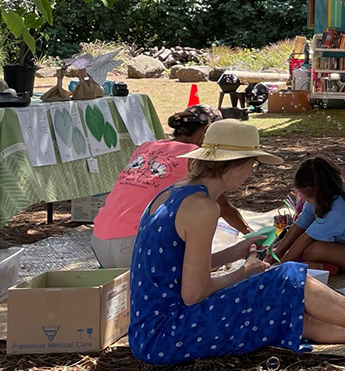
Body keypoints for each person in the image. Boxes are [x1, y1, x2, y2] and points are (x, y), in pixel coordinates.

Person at [128, 119, 345, 365]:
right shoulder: (204, 207)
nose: (252, 171)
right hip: (170, 333)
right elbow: (195, 292)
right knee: (290, 277)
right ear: (235, 163)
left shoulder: (171, 194)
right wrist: (246, 272)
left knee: (293, 313)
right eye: (253, 163)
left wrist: (235, 252)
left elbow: (172, 266)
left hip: (149, 332)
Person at [92, 105, 250, 268]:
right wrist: (251, 235)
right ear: (206, 131)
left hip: (99, 240)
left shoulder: (146, 147)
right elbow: (223, 208)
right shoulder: (194, 156)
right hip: (136, 243)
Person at [271, 156, 345, 275]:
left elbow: (307, 237)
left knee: (311, 251)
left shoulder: (339, 208)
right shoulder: (321, 196)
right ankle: (323, 265)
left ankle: (327, 267)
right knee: (301, 249)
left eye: (305, 196)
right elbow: (300, 224)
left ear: (317, 193)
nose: (303, 199)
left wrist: (281, 266)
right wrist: (278, 252)